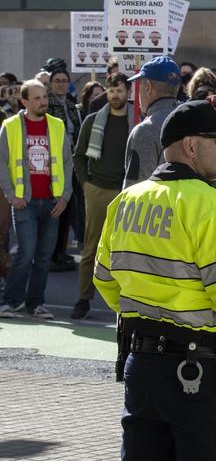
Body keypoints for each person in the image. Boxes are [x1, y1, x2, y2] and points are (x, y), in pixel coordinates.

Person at [92, 99, 216, 461]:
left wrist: (146, 308)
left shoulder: (125, 201)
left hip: (141, 364)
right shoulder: (211, 205)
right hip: (195, 371)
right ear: (190, 145)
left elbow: (104, 280)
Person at [0, 80, 73, 319]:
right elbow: (2, 163)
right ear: (24, 102)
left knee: (43, 257)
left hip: (52, 202)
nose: (43, 102)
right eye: (37, 98)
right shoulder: (10, 126)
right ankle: (11, 301)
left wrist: (65, 196)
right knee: (26, 253)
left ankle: (35, 304)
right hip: (24, 201)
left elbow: (66, 162)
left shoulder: (57, 125)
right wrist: (12, 196)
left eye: (44, 97)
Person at [70, 73, 134, 320]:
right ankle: (83, 299)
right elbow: (79, 155)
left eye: (119, 90)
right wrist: (86, 185)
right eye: (111, 90)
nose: (115, 95)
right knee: (91, 247)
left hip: (127, 191)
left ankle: (127, 302)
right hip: (97, 190)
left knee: (127, 249)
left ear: (128, 92)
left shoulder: (137, 121)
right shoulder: (93, 120)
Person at [123, 55, 181, 188]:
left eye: (140, 85)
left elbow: (134, 189)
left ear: (148, 86)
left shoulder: (145, 130)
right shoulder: (193, 122)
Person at [47, 68, 83, 272]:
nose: (61, 84)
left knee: (68, 208)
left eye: (64, 81)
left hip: (72, 160)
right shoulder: (46, 103)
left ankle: (61, 251)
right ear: (51, 84)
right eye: (57, 81)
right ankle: (51, 253)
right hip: (54, 162)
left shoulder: (71, 103)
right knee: (55, 209)